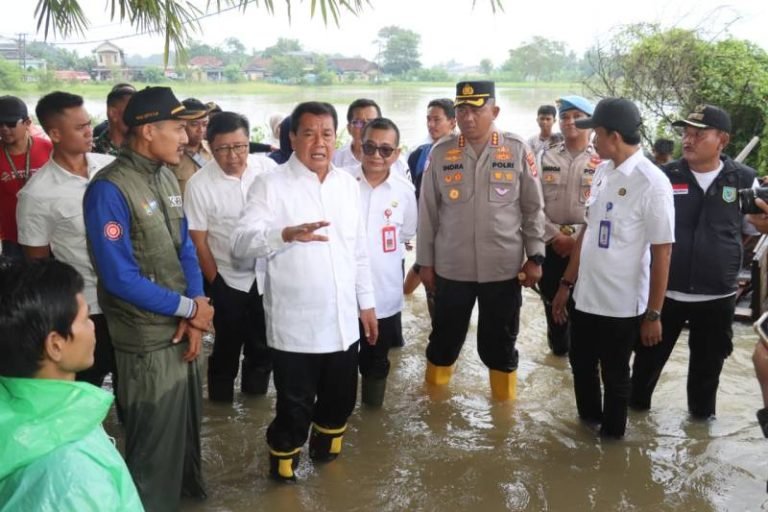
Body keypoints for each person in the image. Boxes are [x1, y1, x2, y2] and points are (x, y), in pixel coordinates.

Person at [231, 101, 377, 482]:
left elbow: (358, 250)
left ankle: (328, 476)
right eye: (308, 133)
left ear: (337, 137)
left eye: (327, 134)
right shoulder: (271, 184)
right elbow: (241, 243)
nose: (319, 142)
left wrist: (368, 305)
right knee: (294, 408)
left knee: (341, 403)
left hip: (344, 323)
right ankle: (282, 479)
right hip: (295, 327)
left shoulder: (348, 184)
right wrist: (283, 234)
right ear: (292, 137)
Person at [83, 86, 213, 511]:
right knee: (153, 454)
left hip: (183, 331)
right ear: (147, 129)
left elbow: (186, 249)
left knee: (187, 445)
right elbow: (119, 277)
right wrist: (191, 309)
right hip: (145, 343)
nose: (187, 136)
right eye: (178, 128)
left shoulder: (165, 173)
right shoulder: (109, 189)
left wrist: (196, 306)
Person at [551, 98, 675, 439]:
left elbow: (662, 252)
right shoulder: (603, 171)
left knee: (616, 377)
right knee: (581, 367)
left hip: (621, 306)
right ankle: (587, 428)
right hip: (586, 297)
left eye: (597, 133)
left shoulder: (653, 183)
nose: (591, 139)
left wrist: (654, 314)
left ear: (614, 136)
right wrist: (566, 284)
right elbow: (588, 232)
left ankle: (611, 444)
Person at [416, 80, 546, 400]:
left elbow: (533, 208)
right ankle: (435, 406)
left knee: (500, 345)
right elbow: (428, 214)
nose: (468, 118)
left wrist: (536, 257)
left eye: (477, 110)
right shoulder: (442, 151)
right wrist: (424, 264)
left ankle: (503, 416)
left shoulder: (517, 149)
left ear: (495, 111)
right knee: (443, 342)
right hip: (451, 269)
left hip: (502, 270)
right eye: (462, 110)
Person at [630, 105, 755, 420]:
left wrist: (719, 258)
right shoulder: (663, 177)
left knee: (705, 380)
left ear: (722, 140)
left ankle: (698, 443)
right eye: (686, 133)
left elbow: (751, 230)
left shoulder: (743, 180)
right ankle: (628, 438)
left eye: (699, 134)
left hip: (717, 298)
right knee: (643, 372)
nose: (688, 140)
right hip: (665, 295)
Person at [0, 258, 143, 511]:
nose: (93, 327)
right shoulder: (73, 477)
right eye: (86, 317)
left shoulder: (21, 415)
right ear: (56, 345)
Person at [17, 91, 117, 389]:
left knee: (134, 389)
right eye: (80, 127)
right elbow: (37, 264)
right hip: (85, 309)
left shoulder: (111, 167)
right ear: (55, 134)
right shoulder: (37, 195)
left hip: (129, 301)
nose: (90, 131)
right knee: (83, 388)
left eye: (89, 123)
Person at [184, 112, 276, 402]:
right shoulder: (199, 185)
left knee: (263, 347)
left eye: (240, 146)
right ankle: (221, 407)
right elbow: (198, 241)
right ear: (210, 147)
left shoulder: (267, 170)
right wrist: (217, 285)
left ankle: (255, 403)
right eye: (223, 148)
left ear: (249, 143)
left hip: (267, 279)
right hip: (228, 280)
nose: (234, 155)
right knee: (226, 349)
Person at [346, 117, 417, 407]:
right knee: (341, 363)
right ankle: (339, 419)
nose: (377, 155)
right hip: (343, 294)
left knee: (376, 362)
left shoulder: (404, 191)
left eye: (385, 150)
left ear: (397, 153)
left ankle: (373, 419)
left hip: (385, 295)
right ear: (360, 146)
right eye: (370, 147)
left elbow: (406, 234)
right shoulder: (341, 182)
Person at [537, 95, 599, 356]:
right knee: (554, 312)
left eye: (577, 116)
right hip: (552, 248)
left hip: (587, 249)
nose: (570, 121)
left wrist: (576, 240)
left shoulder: (602, 161)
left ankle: (581, 359)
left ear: (591, 121)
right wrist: (554, 236)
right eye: (564, 116)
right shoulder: (544, 156)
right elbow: (532, 204)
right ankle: (559, 358)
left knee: (585, 313)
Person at [403, 98, 457, 306]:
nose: (431, 124)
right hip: (428, 229)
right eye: (428, 119)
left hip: (455, 234)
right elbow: (409, 194)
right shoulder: (418, 154)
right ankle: (408, 300)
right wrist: (408, 230)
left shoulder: (466, 153)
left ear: (453, 122)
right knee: (425, 268)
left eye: (437, 119)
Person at [0, 95, 53, 261]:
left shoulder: (49, 149)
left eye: (10, 124)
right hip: (12, 238)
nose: (4, 129)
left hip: (49, 233)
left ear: (27, 123)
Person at [332, 98, 410, 179]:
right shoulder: (335, 160)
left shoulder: (397, 161)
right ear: (349, 128)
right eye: (358, 123)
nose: (366, 127)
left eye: (371, 122)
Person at [171, 97, 212, 194]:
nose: (201, 130)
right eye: (194, 125)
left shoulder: (213, 149)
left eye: (205, 124)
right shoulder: (170, 155)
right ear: (182, 125)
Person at [92, 84, 136, 156]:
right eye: (132, 111)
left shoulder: (147, 149)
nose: (138, 118)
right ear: (113, 113)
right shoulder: (90, 151)